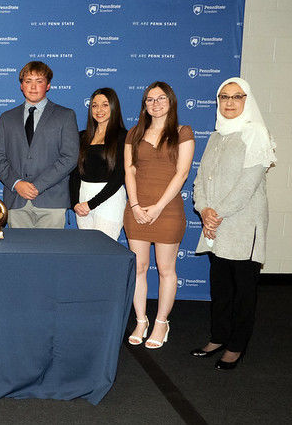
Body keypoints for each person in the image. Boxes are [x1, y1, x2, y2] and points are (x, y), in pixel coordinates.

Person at [190, 78, 275, 370]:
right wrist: (203, 210)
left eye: (237, 97)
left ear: (246, 100)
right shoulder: (216, 135)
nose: (229, 102)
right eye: (224, 96)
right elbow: (201, 180)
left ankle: (237, 345)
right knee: (221, 287)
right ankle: (218, 337)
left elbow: (247, 185)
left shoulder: (257, 134)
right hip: (216, 225)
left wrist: (216, 213)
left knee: (243, 290)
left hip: (242, 224)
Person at [123, 81, 194, 349]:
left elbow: (182, 173)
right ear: (144, 105)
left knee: (166, 270)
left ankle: (161, 322)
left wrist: (158, 207)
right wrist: (135, 205)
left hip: (168, 211)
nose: (156, 103)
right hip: (137, 210)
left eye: (161, 98)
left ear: (171, 101)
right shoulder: (134, 133)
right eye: (150, 99)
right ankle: (141, 320)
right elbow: (129, 171)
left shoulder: (182, 132)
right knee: (139, 269)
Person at [0, 61, 79, 228]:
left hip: (51, 200)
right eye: (28, 81)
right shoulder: (6, 118)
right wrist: (17, 183)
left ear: (48, 85)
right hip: (16, 200)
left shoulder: (65, 116)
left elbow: (70, 157)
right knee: (20, 253)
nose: (33, 86)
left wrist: (38, 186)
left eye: (39, 81)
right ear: (21, 86)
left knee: (50, 253)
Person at [69, 88, 128, 239]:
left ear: (113, 107)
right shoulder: (82, 136)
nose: (99, 110)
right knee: (86, 251)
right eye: (94, 105)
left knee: (104, 251)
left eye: (105, 105)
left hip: (110, 199)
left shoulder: (123, 136)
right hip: (82, 199)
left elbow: (119, 176)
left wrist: (91, 204)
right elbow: (75, 173)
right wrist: (75, 203)